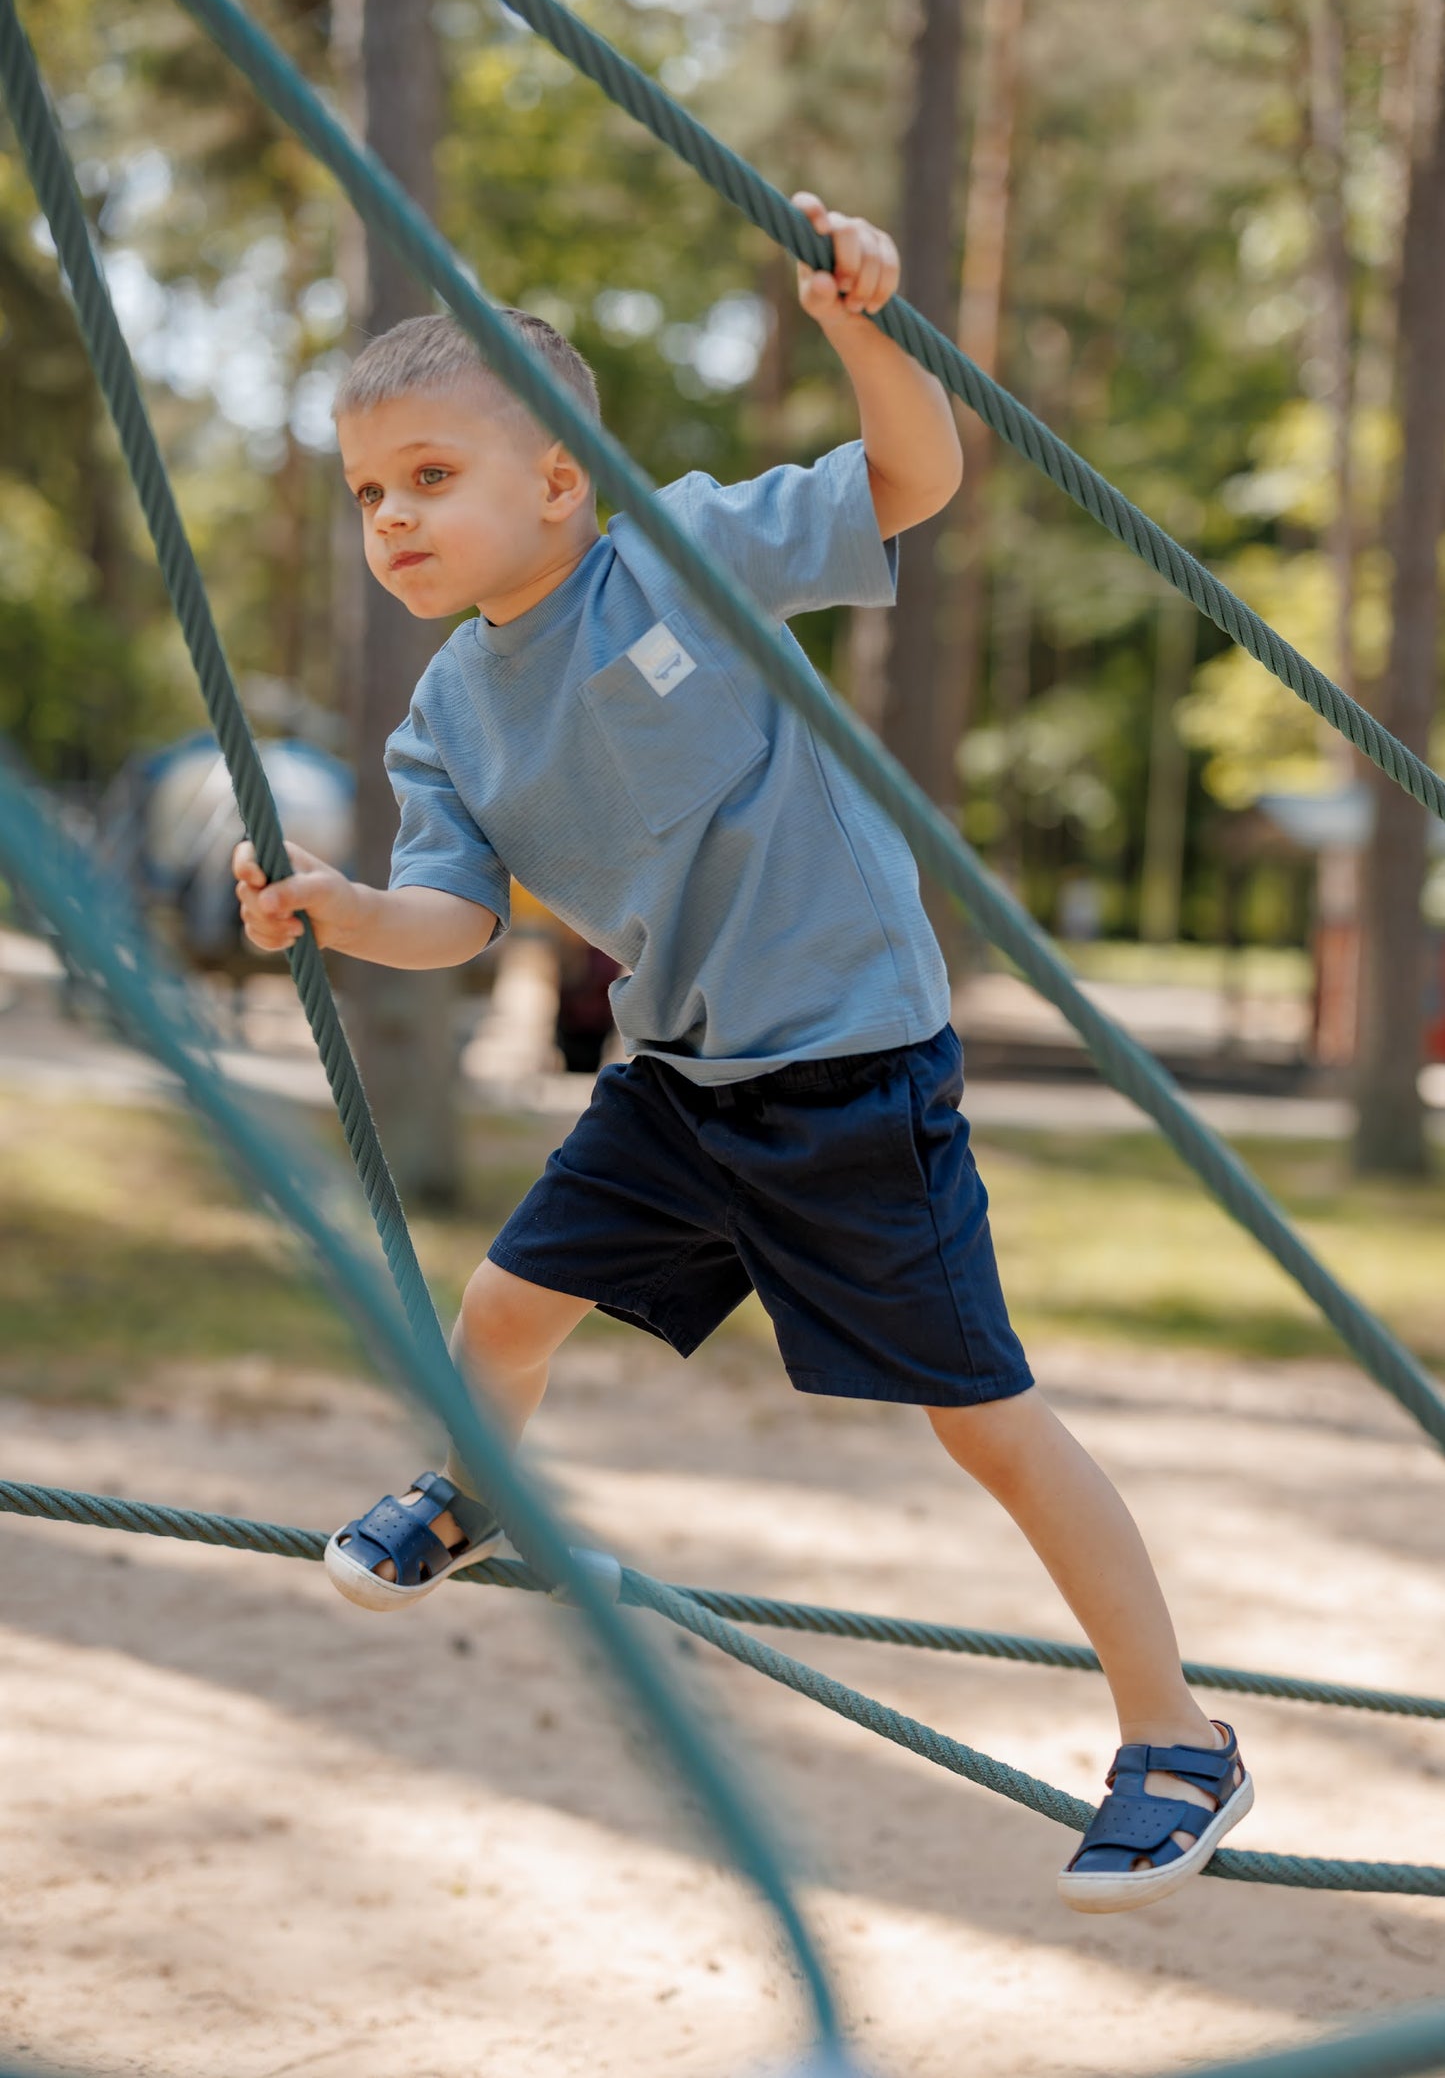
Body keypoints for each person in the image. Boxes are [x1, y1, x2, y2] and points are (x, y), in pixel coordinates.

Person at [233, 193, 1251, 1912]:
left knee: (982, 1421)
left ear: (559, 480)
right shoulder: (446, 717)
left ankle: (1176, 1740)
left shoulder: (673, 546)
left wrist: (864, 324)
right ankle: (479, 1493)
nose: (390, 518)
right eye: (368, 494)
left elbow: (906, 483)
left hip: (854, 1061)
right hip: (679, 1074)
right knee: (497, 1314)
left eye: (429, 476)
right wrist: (335, 908)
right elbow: (451, 919)